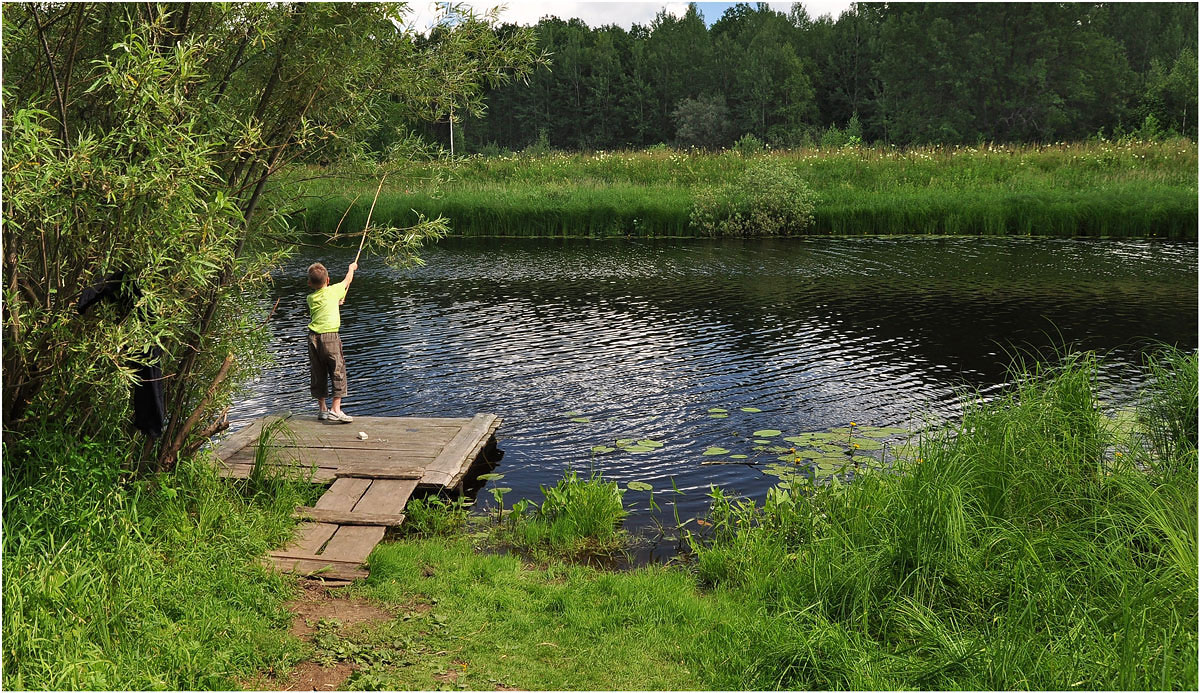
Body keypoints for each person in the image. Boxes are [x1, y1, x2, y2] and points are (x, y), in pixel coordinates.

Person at [306, 260, 357, 422]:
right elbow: (348, 280)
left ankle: (323, 409)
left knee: (318, 372)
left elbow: (324, 302)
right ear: (328, 280)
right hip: (330, 338)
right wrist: (351, 268)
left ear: (309, 283)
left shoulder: (310, 298)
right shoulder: (334, 291)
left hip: (313, 338)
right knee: (337, 370)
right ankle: (336, 409)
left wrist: (336, 302)